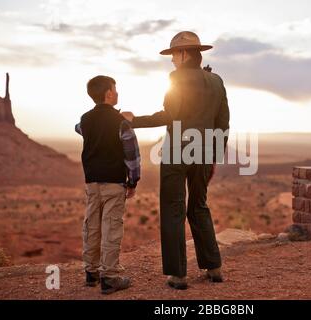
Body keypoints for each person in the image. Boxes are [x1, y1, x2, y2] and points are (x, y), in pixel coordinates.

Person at [122, 31, 230, 290]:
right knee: (199, 206)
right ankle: (214, 267)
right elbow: (223, 123)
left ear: (183, 54)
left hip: (177, 152)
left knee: (173, 208)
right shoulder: (216, 81)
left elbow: (168, 116)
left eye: (173, 55)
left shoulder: (177, 78)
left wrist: (133, 120)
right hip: (204, 152)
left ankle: (178, 275)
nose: (171, 61)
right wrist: (214, 155)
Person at [75, 75, 141, 294]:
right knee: (111, 227)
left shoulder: (85, 120)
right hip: (114, 182)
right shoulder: (121, 122)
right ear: (109, 93)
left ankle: (91, 272)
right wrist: (133, 181)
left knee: (91, 225)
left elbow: (79, 128)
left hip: (92, 182)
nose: (117, 92)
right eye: (115, 88)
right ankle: (110, 277)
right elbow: (132, 154)